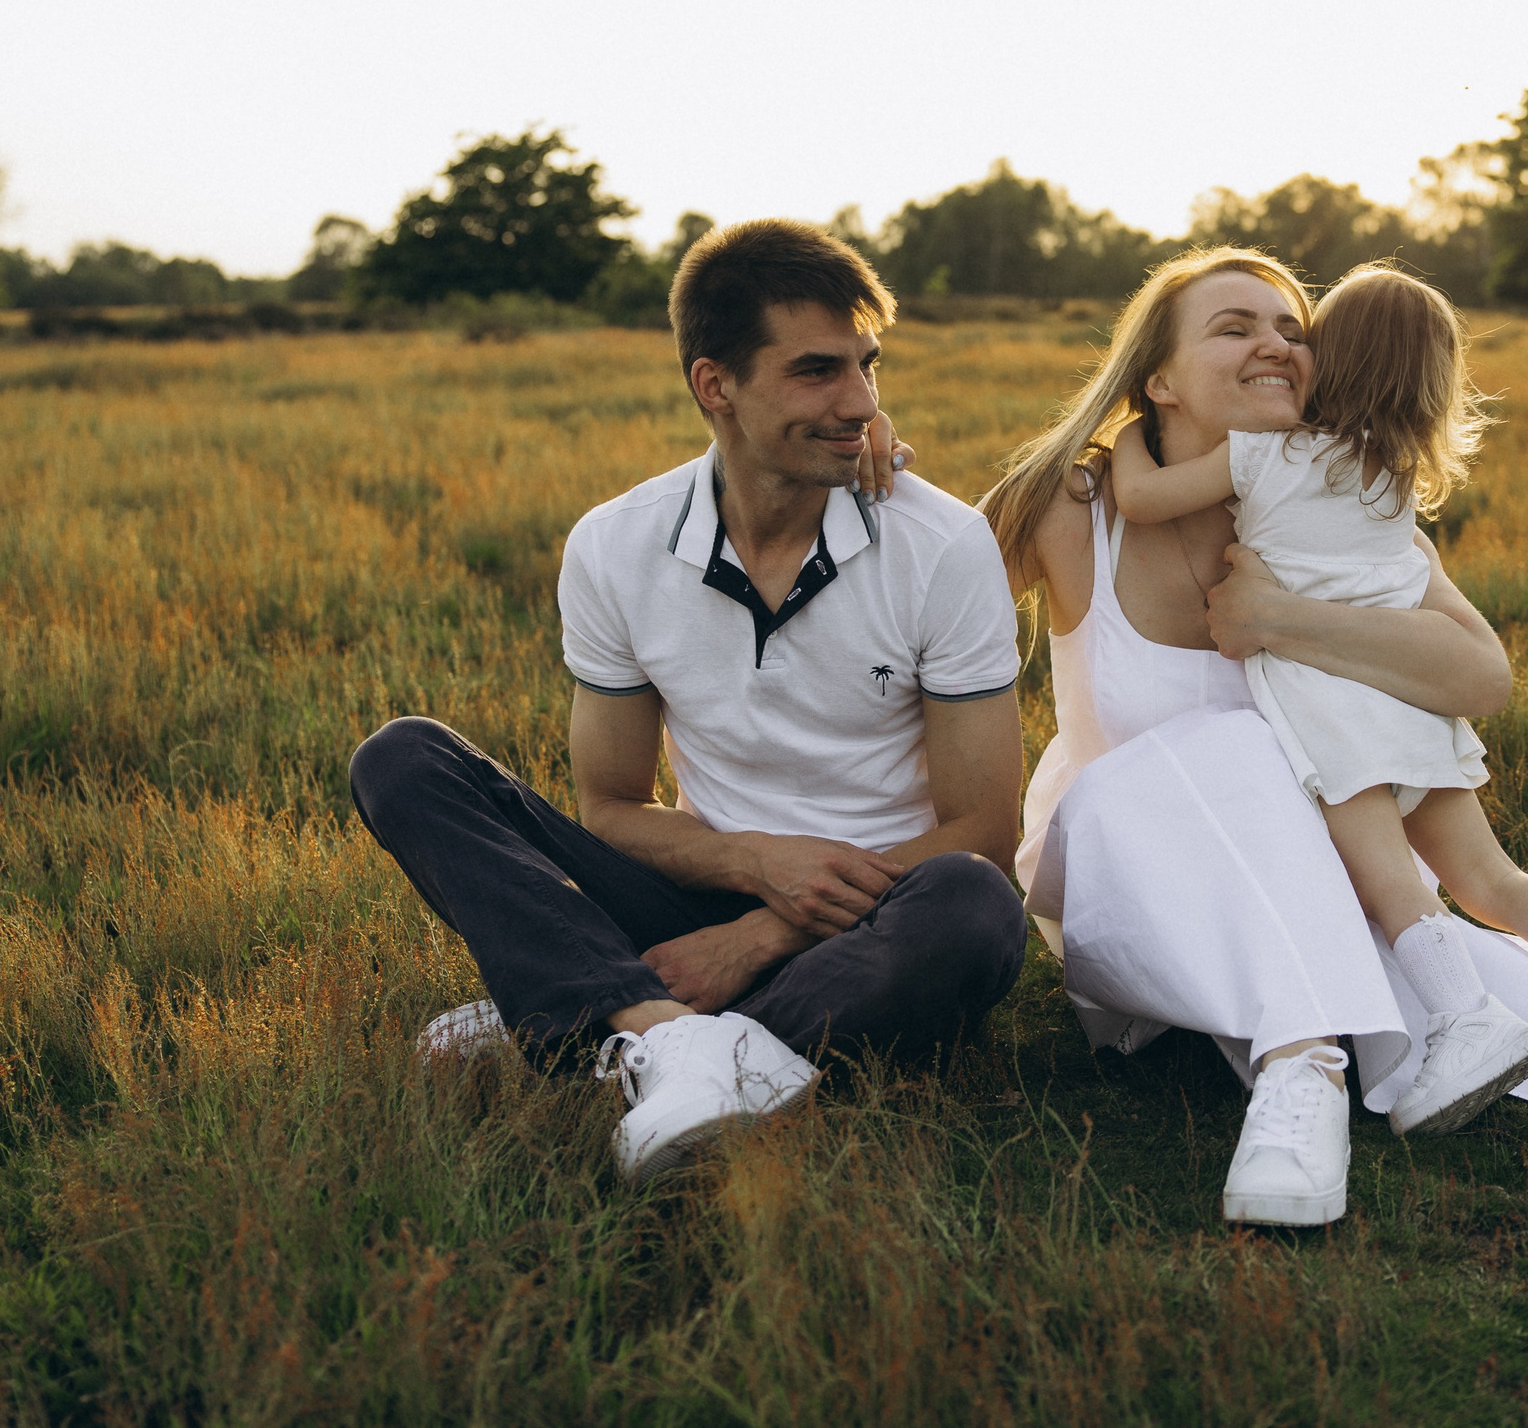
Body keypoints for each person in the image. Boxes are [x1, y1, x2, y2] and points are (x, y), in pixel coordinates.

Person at [981, 248, 1528, 1230]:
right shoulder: (1072, 502)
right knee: (1230, 743)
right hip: (1127, 863)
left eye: (1293, 328)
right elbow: (919, 593)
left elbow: (1480, 676)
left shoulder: (1338, 506)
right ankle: (1301, 1067)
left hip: (1313, 876)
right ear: (1158, 378)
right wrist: (872, 467)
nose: (1274, 343)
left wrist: (1280, 618)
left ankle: (1413, 1024)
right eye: (1234, 327)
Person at [351, 219, 1029, 1181]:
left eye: (867, 368)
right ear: (716, 385)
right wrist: (752, 867)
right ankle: (671, 1039)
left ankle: (592, 1020)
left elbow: (981, 830)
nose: (860, 403)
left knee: (976, 907)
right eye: (816, 372)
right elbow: (611, 807)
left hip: (884, 912)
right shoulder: (614, 545)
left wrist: (765, 932)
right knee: (403, 758)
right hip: (691, 897)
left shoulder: (941, 544)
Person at [1106, 265, 1528, 1140]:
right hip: (1417, 716)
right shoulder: (1393, 480)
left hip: (1335, 723)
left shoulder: (1268, 457)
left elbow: (1142, 497)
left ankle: (1468, 1023)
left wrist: (1123, 435)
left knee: (1392, 887)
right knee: (1488, 877)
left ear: (1328, 364)